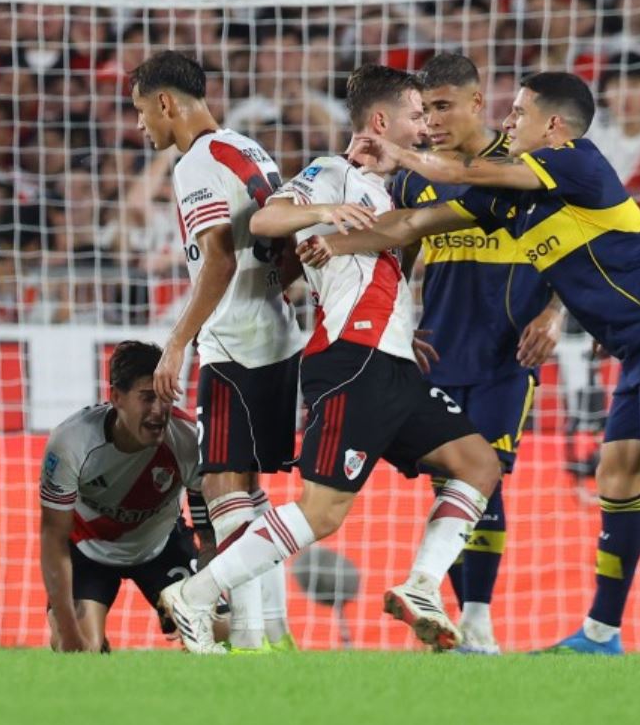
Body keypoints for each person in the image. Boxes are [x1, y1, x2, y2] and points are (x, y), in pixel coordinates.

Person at [303, 71, 640, 656]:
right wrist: (334, 240)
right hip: (635, 344)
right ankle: (601, 634)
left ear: (553, 126)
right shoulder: (515, 192)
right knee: (615, 477)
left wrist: (401, 152)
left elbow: (462, 171)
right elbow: (413, 223)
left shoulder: (577, 160)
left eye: (519, 114)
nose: (509, 124)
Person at [160, 64, 504, 654]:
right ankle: (196, 595)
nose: (425, 126)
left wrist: (402, 325)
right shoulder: (332, 172)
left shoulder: (386, 190)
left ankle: (422, 585)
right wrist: (322, 213)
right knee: (321, 514)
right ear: (380, 121)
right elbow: (266, 219)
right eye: (417, 115)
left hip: (389, 357)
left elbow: (381, 257)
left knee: (477, 464)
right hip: (352, 359)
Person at [128, 50, 304, 653]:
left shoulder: (196, 161)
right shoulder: (249, 149)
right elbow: (285, 246)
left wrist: (177, 343)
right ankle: (275, 633)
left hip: (236, 341)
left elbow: (221, 257)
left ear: (167, 104)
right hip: (277, 331)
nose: (141, 127)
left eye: (141, 112)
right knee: (246, 489)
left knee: (223, 488)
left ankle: (253, 638)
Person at [389, 53, 562, 654]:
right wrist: (395, 324)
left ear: (475, 101)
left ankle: (479, 621)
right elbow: (397, 256)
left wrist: (553, 313)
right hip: (438, 352)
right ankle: (451, 617)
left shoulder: (520, 166)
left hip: (505, 354)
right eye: (423, 109)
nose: (432, 120)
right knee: (452, 490)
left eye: (442, 106)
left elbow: (578, 244)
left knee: (486, 483)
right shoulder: (414, 176)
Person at [40, 340, 203, 653]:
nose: (159, 411)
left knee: (219, 632)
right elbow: (53, 537)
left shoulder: (187, 438)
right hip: (88, 553)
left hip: (162, 547)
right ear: (116, 397)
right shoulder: (71, 443)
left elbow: (209, 533)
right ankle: (93, 642)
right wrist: (68, 629)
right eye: (147, 398)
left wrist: (200, 598)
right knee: (75, 648)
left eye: (165, 397)